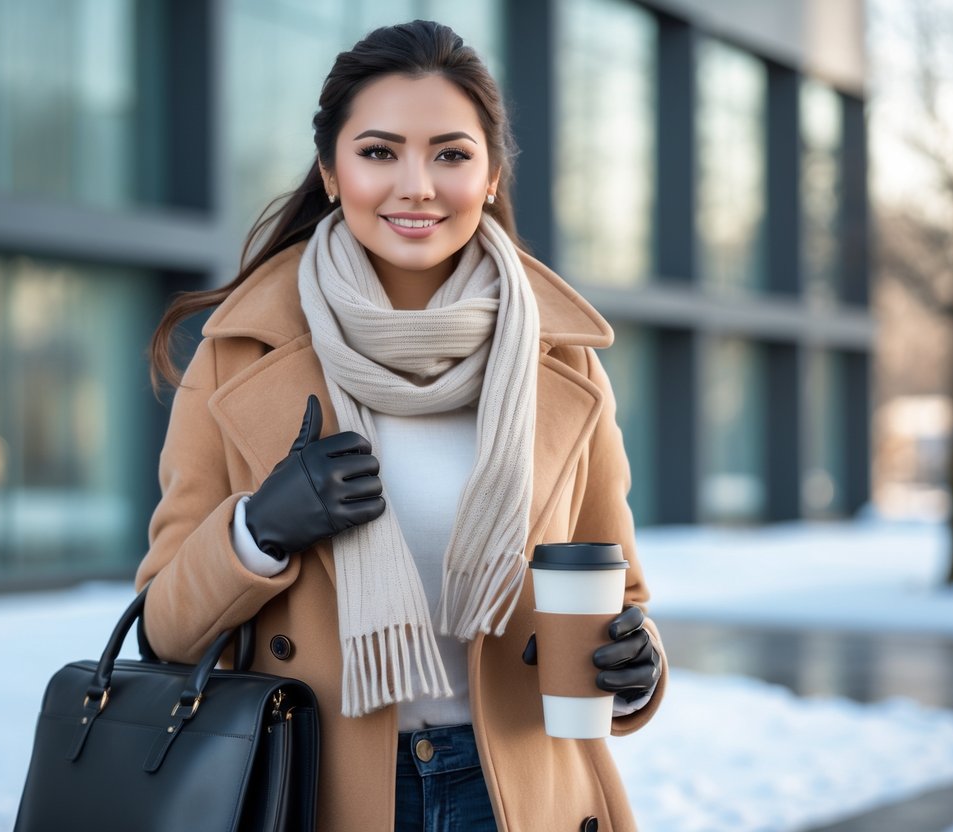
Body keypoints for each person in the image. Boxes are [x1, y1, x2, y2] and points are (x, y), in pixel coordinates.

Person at [136, 19, 667, 832]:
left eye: (450, 154)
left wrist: (636, 668)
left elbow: (614, 592)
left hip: (520, 797)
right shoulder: (239, 356)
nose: (416, 185)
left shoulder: (562, 363)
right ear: (331, 170)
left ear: (490, 175)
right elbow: (164, 631)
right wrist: (259, 530)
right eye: (379, 152)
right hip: (313, 790)